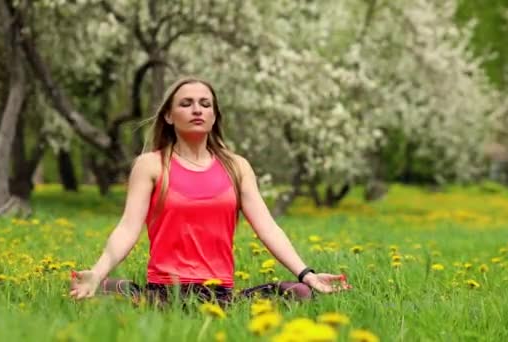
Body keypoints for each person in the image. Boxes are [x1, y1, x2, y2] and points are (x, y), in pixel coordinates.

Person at [69, 76, 352, 306]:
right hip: (166, 292)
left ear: (214, 115)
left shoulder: (237, 167)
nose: (197, 109)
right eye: (186, 103)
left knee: (300, 294)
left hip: (221, 295)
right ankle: (131, 294)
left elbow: (268, 228)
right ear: (168, 115)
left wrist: (307, 275)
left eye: (205, 104)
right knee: (106, 290)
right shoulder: (150, 165)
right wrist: (97, 272)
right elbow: (127, 229)